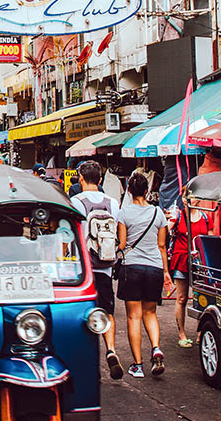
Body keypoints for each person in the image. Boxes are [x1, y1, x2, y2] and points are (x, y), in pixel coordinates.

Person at [71, 160, 123, 379]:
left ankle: (90, 360)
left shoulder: (75, 201)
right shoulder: (113, 203)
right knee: (107, 311)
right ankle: (110, 349)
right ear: (100, 180)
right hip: (105, 266)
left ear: (81, 179)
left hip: (83, 269)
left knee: (84, 314)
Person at [116, 171, 168, 379]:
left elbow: (122, 244)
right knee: (150, 313)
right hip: (154, 267)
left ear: (129, 190)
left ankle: (137, 365)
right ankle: (156, 348)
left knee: (133, 317)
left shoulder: (124, 213)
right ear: (147, 191)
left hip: (132, 268)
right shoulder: (158, 213)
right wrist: (165, 272)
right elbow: (162, 245)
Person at [169, 194, 216, 348]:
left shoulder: (205, 217)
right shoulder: (179, 216)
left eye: (191, 195)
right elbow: (164, 230)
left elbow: (210, 241)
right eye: (184, 195)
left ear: (199, 198)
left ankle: (200, 332)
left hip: (200, 263)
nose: (186, 199)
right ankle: (181, 332)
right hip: (181, 259)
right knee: (181, 298)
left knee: (201, 298)